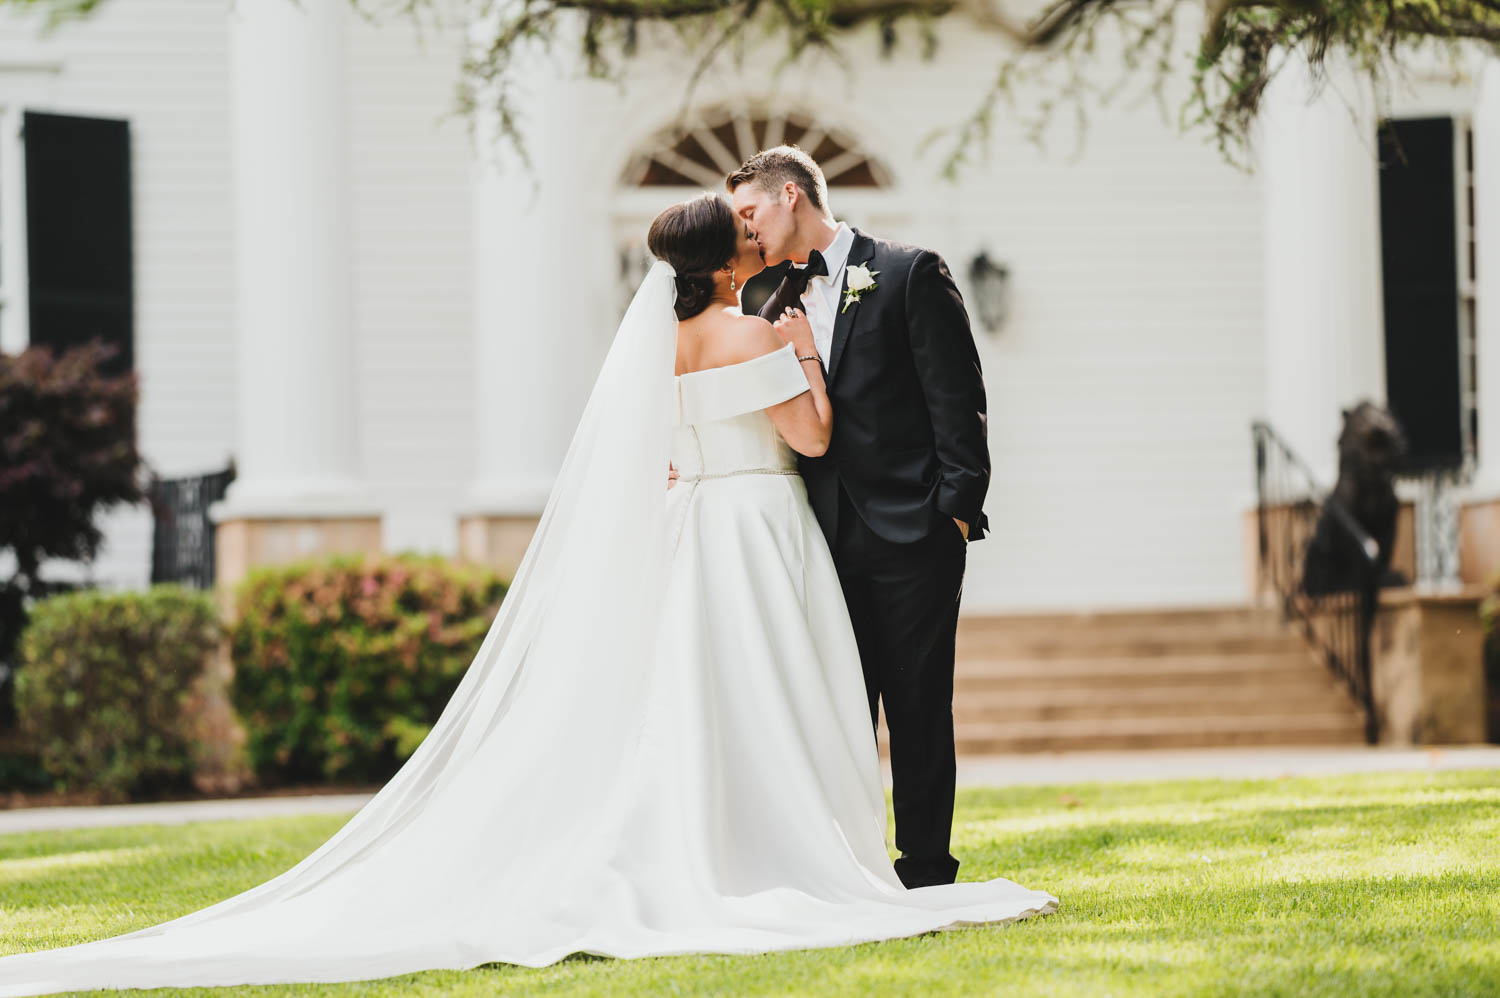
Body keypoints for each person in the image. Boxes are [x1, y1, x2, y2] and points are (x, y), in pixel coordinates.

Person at [0, 193, 1053, 998]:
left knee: (693, 700)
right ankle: (789, 851)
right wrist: (805, 358)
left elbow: (655, 456)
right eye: (741, 231)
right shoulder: (760, 333)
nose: (755, 239)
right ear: (728, 256)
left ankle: (718, 840)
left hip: (693, 530)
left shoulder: (659, 345)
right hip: (761, 530)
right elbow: (811, 438)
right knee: (775, 694)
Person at [730, 146, 989, 889]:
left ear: (790, 196)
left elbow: (957, 398)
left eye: (751, 213)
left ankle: (927, 869)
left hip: (915, 534)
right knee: (836, 707)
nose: (746, 231)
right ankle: (845, 866)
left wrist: (957, 514)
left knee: (916, 706)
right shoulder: (760, 302)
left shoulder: (909, 272)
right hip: (816, 538)